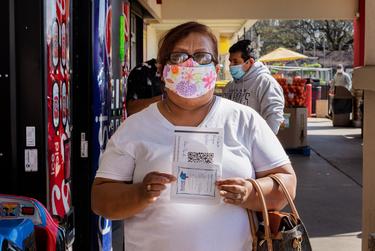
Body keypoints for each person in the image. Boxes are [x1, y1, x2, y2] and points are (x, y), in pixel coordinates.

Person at [91, 21, 297, 251]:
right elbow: (101, 200)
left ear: (216, 69)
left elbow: (286, 183)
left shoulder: (244, 120)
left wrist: (249, 192)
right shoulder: (135, 127)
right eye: (178, 56)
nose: (190, 65)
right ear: (161, 70)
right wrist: (140, 193)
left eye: (202, 57)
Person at [222, 40, 284, 134]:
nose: (231, 66)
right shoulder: (229, 86)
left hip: (254, 144)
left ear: (250, 62)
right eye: (230, 61)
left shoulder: (265, 83)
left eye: (235, 62)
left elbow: (274, 116)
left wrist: (263, 143)